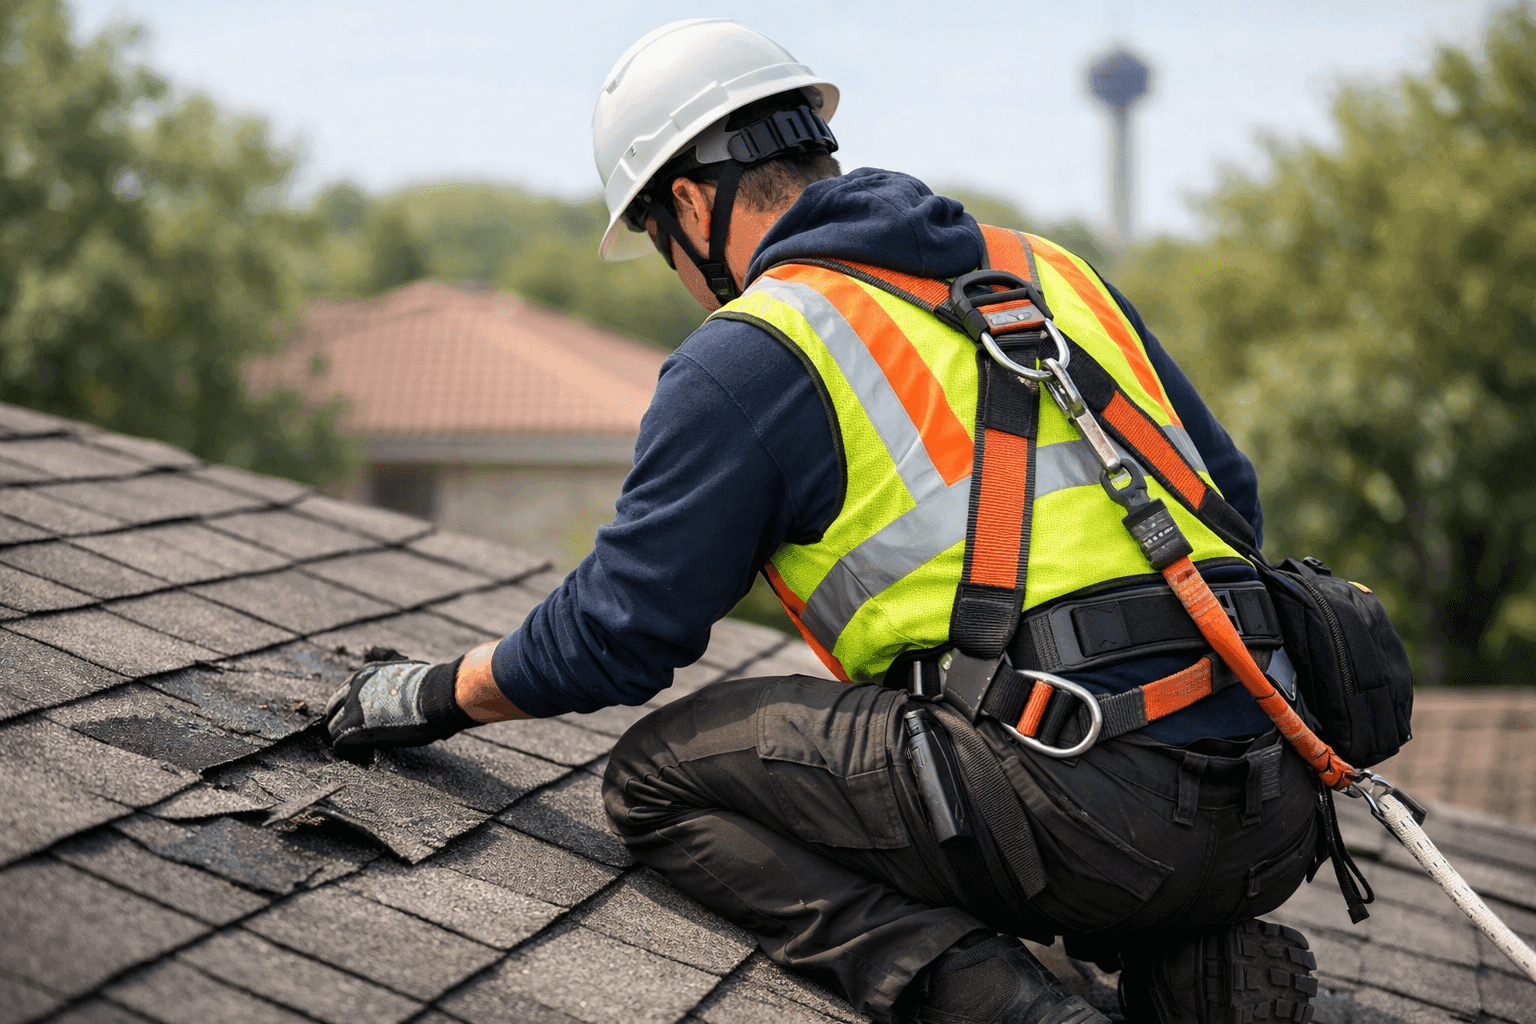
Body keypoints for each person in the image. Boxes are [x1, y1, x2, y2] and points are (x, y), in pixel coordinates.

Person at [324, 20, 1322, 1024]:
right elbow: (1229, 495)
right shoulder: (1052, 271)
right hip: (1274, 797)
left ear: (687, 203)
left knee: (658, 776)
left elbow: (618, 630)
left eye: (659, 244)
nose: (674, 271)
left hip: (1084, 818)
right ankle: (1192, 958)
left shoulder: (757, 350)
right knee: (1001, 747)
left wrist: (434, 693)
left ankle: (990, 998)